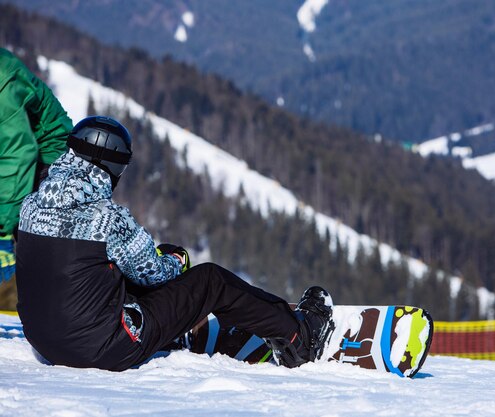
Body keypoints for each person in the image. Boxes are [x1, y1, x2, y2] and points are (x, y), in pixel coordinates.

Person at [16, 115, 335, 371]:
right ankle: (299, 335)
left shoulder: (31, 206)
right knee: (210, 281)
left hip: (46, 342)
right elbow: (155, 274)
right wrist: (176, 259)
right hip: (103, 348)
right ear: (112, 168)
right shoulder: (106, 217)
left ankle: (184, 331)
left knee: (107, 271)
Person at [0, 48, 72, 283]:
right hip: (13, 152)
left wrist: (2, 231)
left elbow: (18, 153)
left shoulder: (2, 77)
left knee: (40, 247)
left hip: (47, 155)